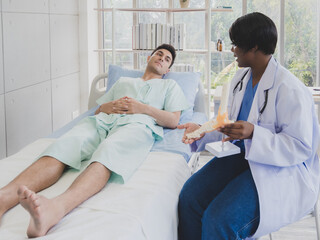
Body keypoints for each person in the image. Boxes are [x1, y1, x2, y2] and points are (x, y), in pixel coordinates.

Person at [0, 44, 190, 238]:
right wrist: (109, 105)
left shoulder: (170, 86)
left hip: (138, 125)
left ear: (168, 70)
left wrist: (141, 108)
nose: (162, 58)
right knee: (68, 143)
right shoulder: (123, 81)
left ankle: (55, 208)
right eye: (159, 54)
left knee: (109, 149)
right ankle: (3, 198)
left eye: (167, 59)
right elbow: (98, 110)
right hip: (103, 120)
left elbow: (173, 120)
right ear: (149, 58)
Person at [177, 12, 320, 240]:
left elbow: (300, 147)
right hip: (241, 158)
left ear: (254, 48)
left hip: (278, 169)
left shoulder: (290, 89)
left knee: (220, 218)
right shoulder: (240, 79)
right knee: (189, 198)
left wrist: (254, 133)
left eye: (236, 45)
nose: (232, 50)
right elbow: (229, 125)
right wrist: (200, 131)